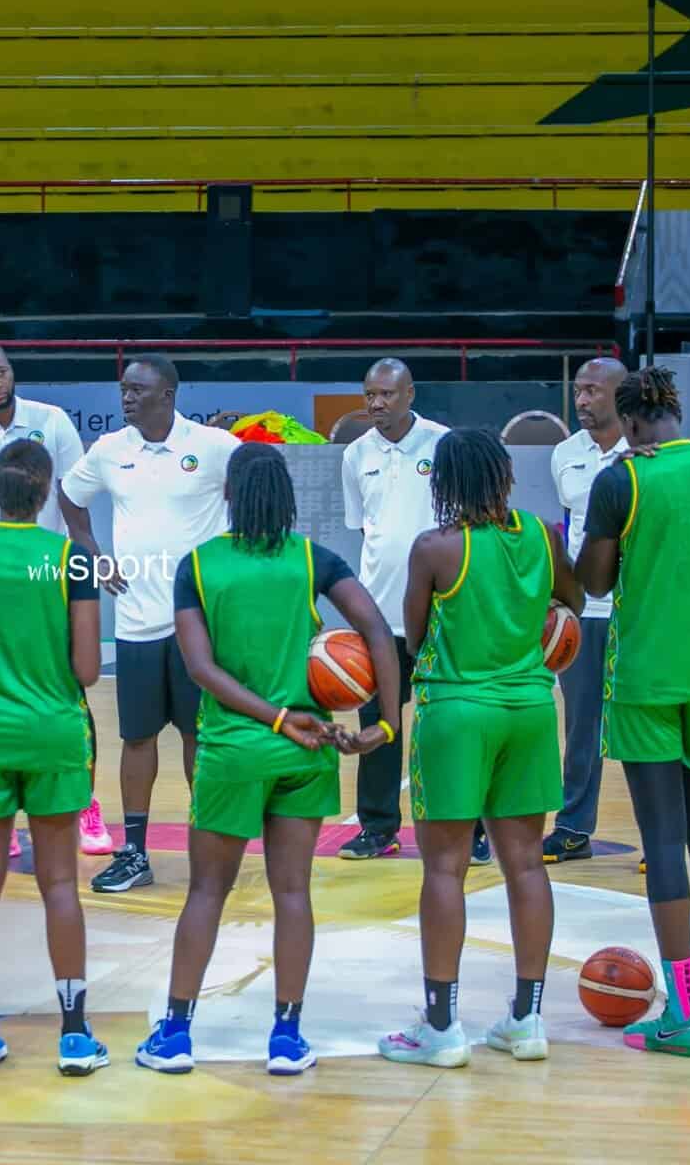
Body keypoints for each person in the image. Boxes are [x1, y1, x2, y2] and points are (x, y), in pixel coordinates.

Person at [134, 443, 400, 1076]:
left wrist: (275, 718)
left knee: (207, 891)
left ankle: (175, 1035)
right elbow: (377, 631)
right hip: (306, 751)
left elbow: (201, 668)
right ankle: (286, 1037)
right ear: (287, 497)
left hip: (233, 751)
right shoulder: (314, 559)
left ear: (228, 495)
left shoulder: (199, 565)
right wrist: (385, 725)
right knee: (293, 893)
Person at [375, 430, 584, 1068]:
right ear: (504, 476)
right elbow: (573, 602)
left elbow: (415, 638)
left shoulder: (435, 547)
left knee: (445, 869)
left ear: (442, 483)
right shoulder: (542, 536)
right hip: (530, 710)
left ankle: (441, 1028)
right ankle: (527, 1020)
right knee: (527, 865)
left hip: (457, 712)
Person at [575, 367, 690, 1056]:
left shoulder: (621, 479)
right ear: (678, 410)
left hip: (647, 674)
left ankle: (680, 1011)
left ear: (627, 423)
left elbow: (594, 582)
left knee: (662, 840)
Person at [0, 440, 108, 1075]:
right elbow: (88, 669)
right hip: (54, 734)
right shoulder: (70, 558)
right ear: (45, 490)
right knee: (60, 885)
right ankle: (75, 1035)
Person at [60, 353, 240, 893]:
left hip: (198, 625)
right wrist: (93, 555)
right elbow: (70, 497)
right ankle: (135, 854)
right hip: (136, 621)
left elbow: (256, 493)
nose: (127, 397)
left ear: (168, 394)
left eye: (138, 389)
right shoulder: (109, 450)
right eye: (124, 389)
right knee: (136, 739)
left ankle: (210, 848)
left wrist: (230, 560)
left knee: (198, 737)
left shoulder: (214, 446)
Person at [0, 341, 111, 858]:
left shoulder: (51, 422)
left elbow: (75, 505)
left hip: (49, 576)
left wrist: (90, 557)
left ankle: (85, 801)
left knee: (72, 693)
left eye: (1, 372)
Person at [335, 358, 451, 861]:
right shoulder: (355, 454)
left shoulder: (444, 445)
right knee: (380, 724)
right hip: (379, 616)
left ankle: (467, 828)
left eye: (386, 394)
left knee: (448, 725)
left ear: (410, 394)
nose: (376, 403)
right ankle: (378, 828)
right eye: (370, 395)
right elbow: (366, 529)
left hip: (441, 612)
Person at [542, 356, 628, 864]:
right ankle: (574, 827)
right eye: (579, 390)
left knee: (644, 722)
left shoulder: (645, 452)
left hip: (635, 608)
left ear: (621, 394)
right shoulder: (565, 453)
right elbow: (571, 526)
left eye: (593, 390)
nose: (582, 400)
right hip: (583, 609)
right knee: (580, 725)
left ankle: (663, 832)